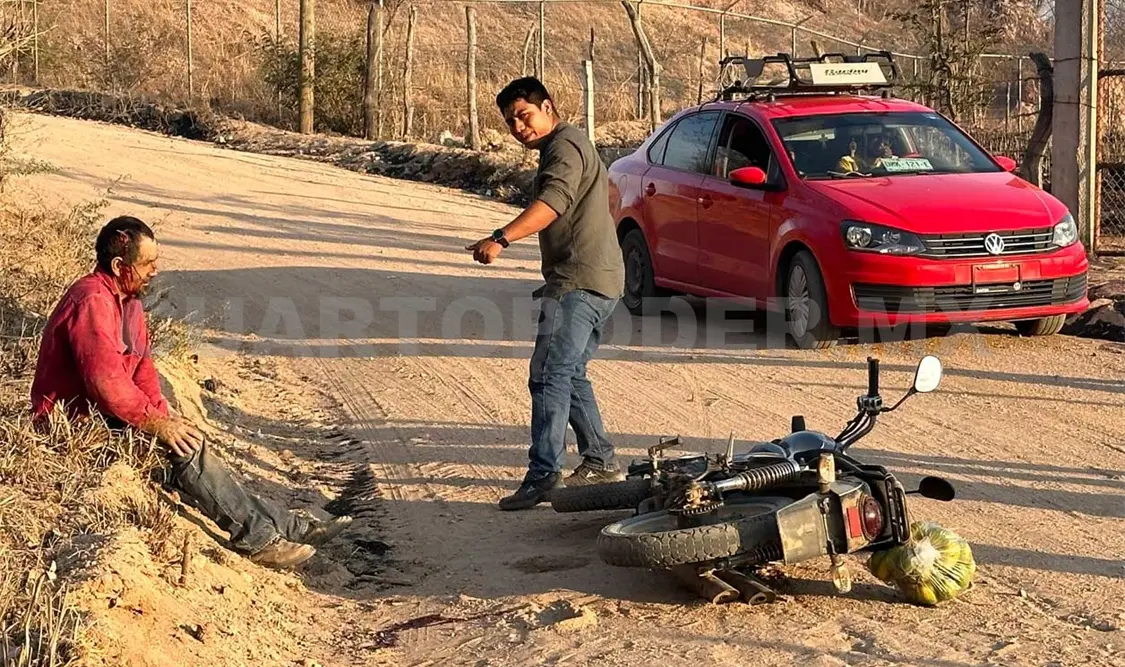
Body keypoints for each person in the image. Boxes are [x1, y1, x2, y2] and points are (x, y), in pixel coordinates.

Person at [30, 216, 351, 569]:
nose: (155, 271)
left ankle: (288, 526)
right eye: (147, 264)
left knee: (187, 438)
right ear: (120, 266)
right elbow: (106, 385)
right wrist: (158, 424)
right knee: (187, 449)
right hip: (78, 429)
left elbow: (142, 370)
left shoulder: (129, 303)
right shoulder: (92, 300)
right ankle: (259, 539)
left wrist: (163, 415)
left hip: (111, 418)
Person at [466, 77, 627, 511]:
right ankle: (601, 460)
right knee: (569, 372)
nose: (518, 127)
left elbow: (553, 202)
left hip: (578, 281)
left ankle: (542, 474)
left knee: (547, 374)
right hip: (600, 277)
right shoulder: (573, 144)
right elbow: (611, 195)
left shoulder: (563, 146)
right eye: (510, 122)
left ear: (548, 107)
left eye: (524, 115)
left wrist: (500, 237)